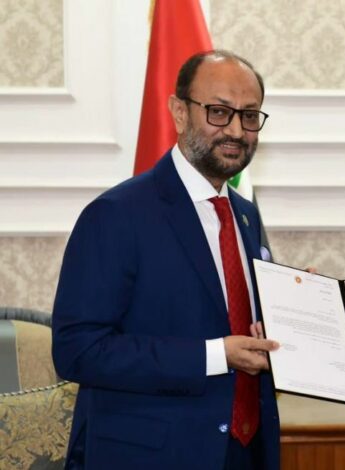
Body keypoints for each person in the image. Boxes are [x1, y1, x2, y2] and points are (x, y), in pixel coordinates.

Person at [52, 50, 281, 470]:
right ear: (178, 112)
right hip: (152, 456)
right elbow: (78, 350)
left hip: (246, 452)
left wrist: (293, 307)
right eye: (219, 112)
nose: (236, 130)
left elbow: (233, 316)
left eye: (249, 116)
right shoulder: (117, 214)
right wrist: (215, 355)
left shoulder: (244, 214)